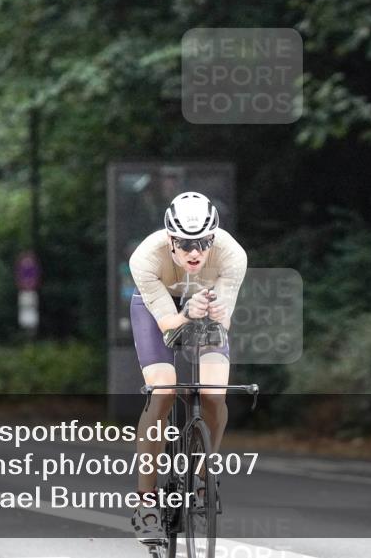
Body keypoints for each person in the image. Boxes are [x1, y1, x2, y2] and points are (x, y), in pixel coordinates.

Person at [127, 192, 247, 539]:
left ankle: (204, 477)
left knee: (214, 395)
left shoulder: (232, 255)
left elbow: (221, 324)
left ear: (213, 238)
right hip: (158, 310)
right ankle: (146, 500)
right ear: (170, 239)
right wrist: (184, 314)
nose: (195, 252)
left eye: (204, 242)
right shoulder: (145, 257)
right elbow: (168, 326)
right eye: (185, 243)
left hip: (206, 303)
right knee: (163, 392)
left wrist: (217, 313)